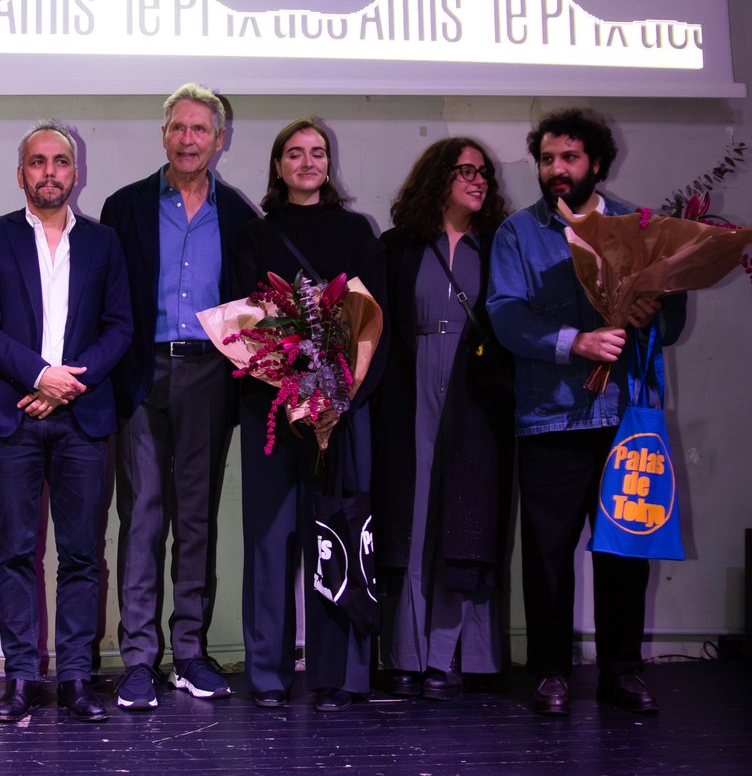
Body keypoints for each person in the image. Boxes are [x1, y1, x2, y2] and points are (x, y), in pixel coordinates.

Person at [487, 108, 686, 716]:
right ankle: (550, 670)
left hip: (626, 416)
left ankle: (622, 670)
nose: (556, 169)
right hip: (550, 418)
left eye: (568, 158)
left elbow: (672, 322)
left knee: (626, 549)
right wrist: (577, 341)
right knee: (546, 555)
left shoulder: (637, 226)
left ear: (595, 162)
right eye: (547, 159)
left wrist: (654, 310)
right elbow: (506, 315)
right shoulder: (518, 233)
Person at [0, 121, 132, 724]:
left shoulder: (104, 242)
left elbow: (120, 328)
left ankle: (78, 677)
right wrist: (40, 376)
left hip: (82, 418)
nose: (50, 172)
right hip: (12, 414)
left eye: (61, 162)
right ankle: (22, 677)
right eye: (38, 162)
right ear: (21, 174)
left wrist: (67, 386)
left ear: (75, 172)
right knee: (16, 552)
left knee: (83, 554)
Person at [100, 83, 256, 710]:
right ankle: (138, 659)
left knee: (196, 516)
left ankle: (189, 653)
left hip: (210, 378)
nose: (189, 139)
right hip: (143, 375)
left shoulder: (241, 215)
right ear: (164, 135)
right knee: (141, 517)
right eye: (179, 128)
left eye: (201, 130)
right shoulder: (126, 207)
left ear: (219, 140)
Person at [230, 119, 389, 711]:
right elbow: (240, 322)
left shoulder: (357, 232)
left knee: (338, 537)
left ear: (329, 163)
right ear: (277, 167)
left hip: (345, 415)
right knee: (269, 544)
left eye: (317, 152)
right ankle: (268, 676)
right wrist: (290, 384)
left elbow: (380, 324)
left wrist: (343, 397)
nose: (307, 162)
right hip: (272, 409)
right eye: (294, 153)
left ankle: (338, 676)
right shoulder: (254, 235)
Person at [373, 138, 512, 702]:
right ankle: (407, 653)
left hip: (476, 392)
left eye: (483, 172)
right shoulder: (398, 247)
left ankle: (454, 654)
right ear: (437, 179)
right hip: (410, 389)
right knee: (413, 517)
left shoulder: (500, 246)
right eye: (464, 171)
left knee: (466, 516)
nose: (478, 181)